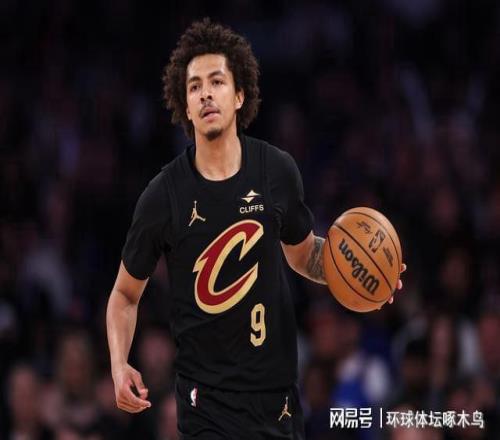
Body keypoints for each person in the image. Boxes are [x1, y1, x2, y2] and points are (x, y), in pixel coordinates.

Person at [106, 18, 405, 439]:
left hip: (277, 401)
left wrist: (365, 274)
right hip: (206, 405)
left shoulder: (276, 170)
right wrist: (119, 364)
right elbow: (124, 294)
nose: (206, 93)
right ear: (185, 106)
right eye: (194, 87)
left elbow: (307, 256)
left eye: (217, 81)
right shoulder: (163, 195)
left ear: (239, 94)